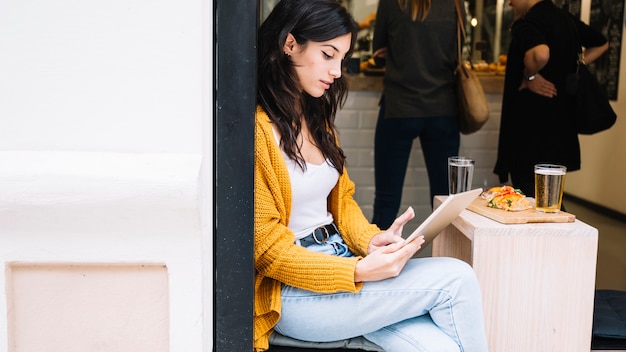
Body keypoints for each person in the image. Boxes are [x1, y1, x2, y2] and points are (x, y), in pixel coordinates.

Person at [254, 0, 489, 351]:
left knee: (437, 347)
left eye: (342, 59)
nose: (336, 71)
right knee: (457, 278)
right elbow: (267, 250)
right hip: (294, 295)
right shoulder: (258, 131)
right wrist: (359, 272)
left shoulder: (315, 120)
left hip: (342, 262)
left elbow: (342, 201)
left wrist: (369, 241)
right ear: (290, 45)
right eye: (328, 54)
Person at [494, 0, 608, 199]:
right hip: (561, 130)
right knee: (549, 198)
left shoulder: (528, 23)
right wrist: (576, 62)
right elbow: (602, 43)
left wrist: (529, 76)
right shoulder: (564, 18)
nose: (510, 3)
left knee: (532, 199)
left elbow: (541, 54)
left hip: (530, 133)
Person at [370, 0, 463, 230]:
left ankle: (380, 262)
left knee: (386, 202)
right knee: (445, 204)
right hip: (442, 108)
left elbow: (377, 51)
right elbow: (458, 51)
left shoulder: (392, 3)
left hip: (399, 107)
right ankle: (449, 263)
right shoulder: (455, 3)